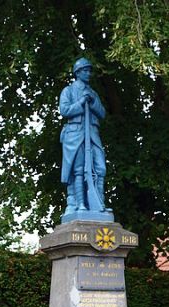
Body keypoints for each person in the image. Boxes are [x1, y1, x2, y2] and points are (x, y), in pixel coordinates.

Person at [59, 57, 107, 216]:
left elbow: (102, 113)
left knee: (100, 168)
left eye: (89, 71)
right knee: (78, 170)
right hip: (75, 133)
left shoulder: (92, 93)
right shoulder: (68, 91)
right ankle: (79, 204)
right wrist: (80, 102)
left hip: (92, 133)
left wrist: (92, 101)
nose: (88, 74)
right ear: (77, 73)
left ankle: (99, 204)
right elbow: (65, 111)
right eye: (85, 71)